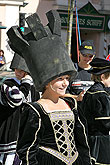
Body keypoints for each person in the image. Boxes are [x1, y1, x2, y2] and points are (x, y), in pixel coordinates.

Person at [7, 10, 92, 165]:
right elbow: (27, 151)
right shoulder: (35, 110)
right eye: (60, 79)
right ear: (46, 82)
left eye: (67, 78)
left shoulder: (71, 104)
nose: (65, 83)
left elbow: (82, 143)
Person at [0, 53, 40, 165]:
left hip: (26, 132)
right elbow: (16, 99)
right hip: (10, 134)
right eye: (17, 69)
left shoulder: (34, 87)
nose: (19, 73)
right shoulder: (7, 84)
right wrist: (26, 84)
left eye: (23, 71)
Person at [81, 57, 110, 164]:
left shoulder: (91, 91)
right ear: (102, 77)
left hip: (90, 140)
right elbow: (105, 123)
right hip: (99, 143)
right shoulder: (100, 95)